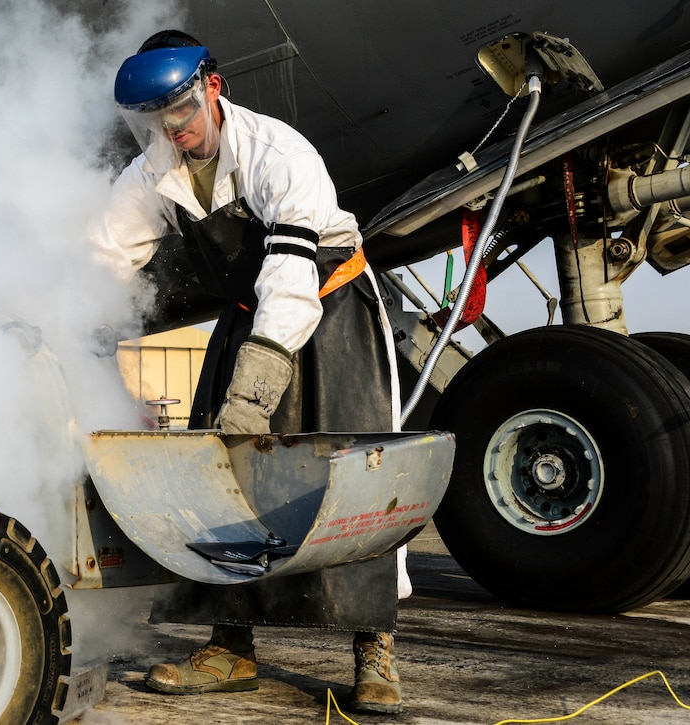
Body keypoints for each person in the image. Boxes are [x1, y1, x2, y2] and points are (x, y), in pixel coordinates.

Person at [90, 29, 408, 714]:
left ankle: (374, 648)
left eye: (180, 114)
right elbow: (101, 260)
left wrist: (255, 392)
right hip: (245, 309)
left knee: (350, 473)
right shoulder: (151, 173)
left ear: (213, 87)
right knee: (222, 474)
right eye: (154, 121)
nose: (173, 132)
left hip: (325, 309)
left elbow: (292, 278)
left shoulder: (277, 153)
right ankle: (231, 646)